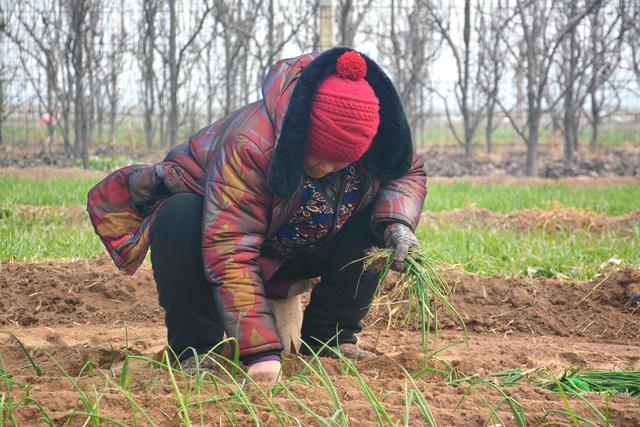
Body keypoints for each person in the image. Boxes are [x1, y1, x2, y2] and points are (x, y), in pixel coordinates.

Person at [87, 47, 427, 385]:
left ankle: (330, 340)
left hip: (296, 237)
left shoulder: (380, 138)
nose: (324, 169)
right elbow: (230, 247)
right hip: (215, 237)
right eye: (317, 157)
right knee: (178, 215)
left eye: (337, 164)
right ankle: (196, 350)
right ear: (299, 135)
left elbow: (405, 172)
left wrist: (397, 224)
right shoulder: (250, 144)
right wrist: (262, 353)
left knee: (375, 228)